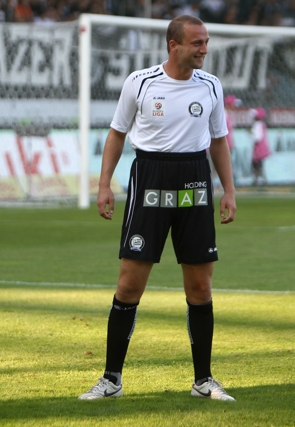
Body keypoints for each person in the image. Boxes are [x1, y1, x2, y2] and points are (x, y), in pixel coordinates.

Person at [79, 15, 237, 402]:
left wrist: (229, 190)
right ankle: (111, 380)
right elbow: (117, 134)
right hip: (149, 178)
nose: (204, 49)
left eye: (206, 42)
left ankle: (204, 381)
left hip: (195, 182)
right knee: (130, 283)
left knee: (200, 285)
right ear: (174, 45)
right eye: (197, 43)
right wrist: (104, 185)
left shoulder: (211, 86)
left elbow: (218, 141)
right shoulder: (141, 82)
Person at [249, 107, 270, 186]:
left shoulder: (257, 125)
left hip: (259, 149)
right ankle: (260, 180)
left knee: (256, 165)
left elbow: (257, 137)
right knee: (259, 165)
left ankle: (258, 180)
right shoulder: (262, 124)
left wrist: (250, 133)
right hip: (262, 148)